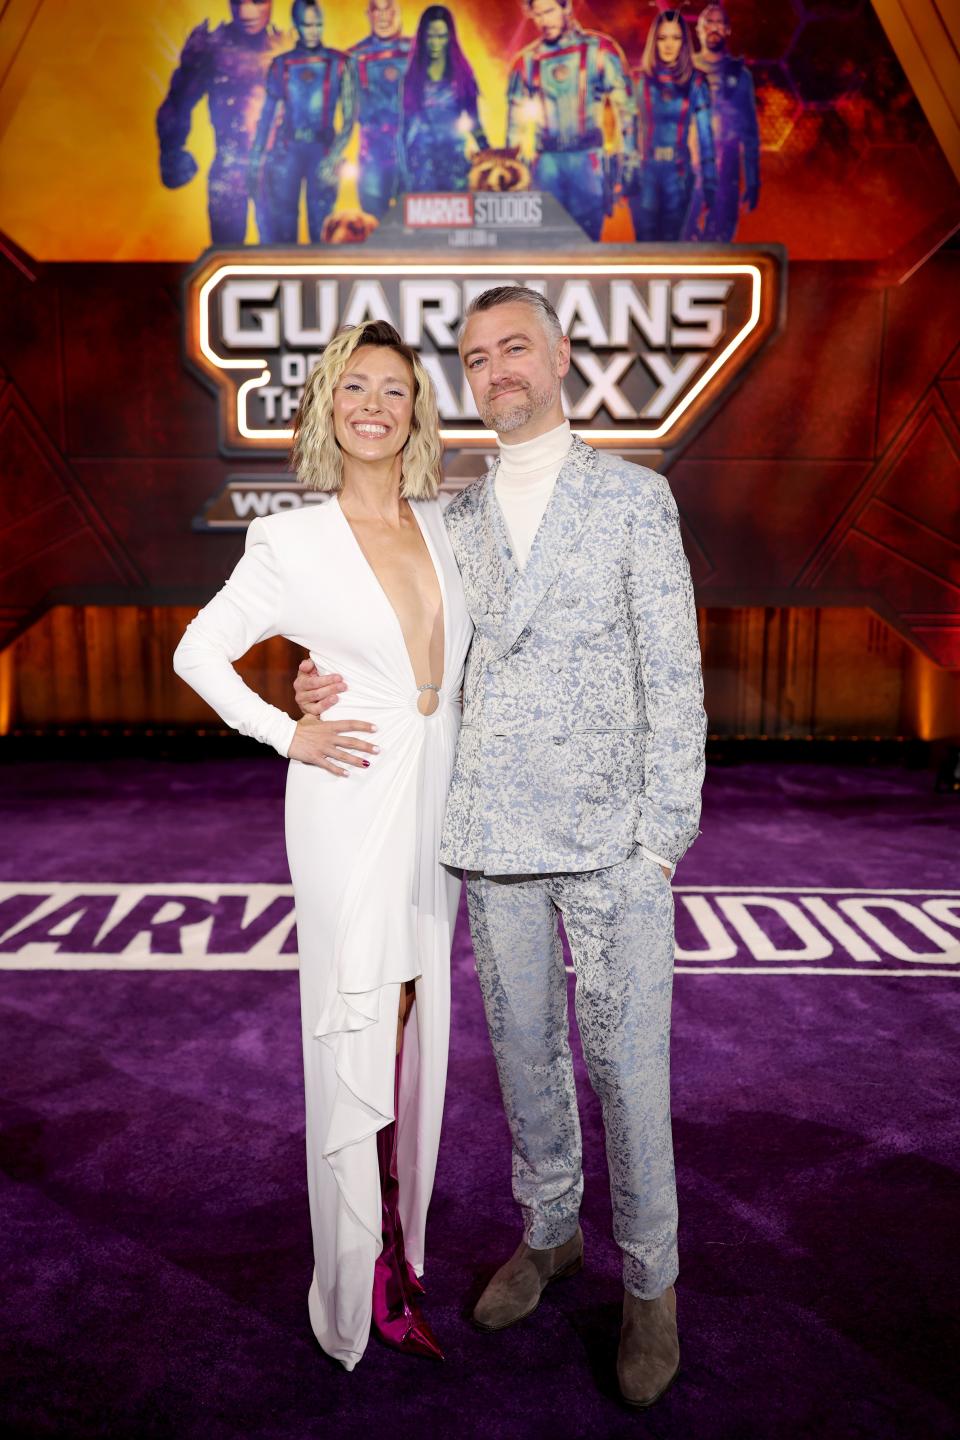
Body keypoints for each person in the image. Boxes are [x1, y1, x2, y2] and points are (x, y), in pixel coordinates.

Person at [296, 285, 706, 1407]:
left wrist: (661, 840)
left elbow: (674, 676)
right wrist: (311, 676)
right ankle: (551, 1231)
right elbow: (403, 645)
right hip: (491, 837)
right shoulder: (453, 519)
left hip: (615, 841)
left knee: (627, 1069)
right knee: (525, 1060)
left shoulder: (634, 502)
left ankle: (653, 1283)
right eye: (477, 358)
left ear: (562, 353)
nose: (498, 371)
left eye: (515, 347)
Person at [173, 321, 473, 1370]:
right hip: (346, 799)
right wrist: (287, 725)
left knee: (415, 1021)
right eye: (356, 387)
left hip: (438, 804)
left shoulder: (450, 526)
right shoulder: (291, 541)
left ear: (418, 410)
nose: (376, 405)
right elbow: (196, 651)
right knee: (360, 1027)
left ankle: (401, 1245)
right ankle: (363, 1284)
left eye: (396, 389)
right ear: (326, 408)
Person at [157, 0, 287, 244]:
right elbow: (177, 102)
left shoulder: (287, 49)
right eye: (238, 1)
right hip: (229, 171)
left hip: (275, 173)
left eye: (257, 1)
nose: (246, 12)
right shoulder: (211, 50)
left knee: (281, 260)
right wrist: (172, 152)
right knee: (227, 256)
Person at [505, 0, 634, 243]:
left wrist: (629, 159)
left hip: (587, 161)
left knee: (586, 245)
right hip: (547, 165)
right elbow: (514, 128)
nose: (544, 21)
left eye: (550, 11)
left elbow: (626, 108)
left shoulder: (600, 51)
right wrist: (513, 176)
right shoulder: (526, 62)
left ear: (567, 8)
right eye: (538, 14)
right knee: (546, 246)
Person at [249, 1, 357, 244]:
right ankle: (288, 278)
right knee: (284, 226)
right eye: (308, 25)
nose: (314, 31)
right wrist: (256, 160)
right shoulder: (281, 65)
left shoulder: (340, 63)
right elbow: (266, 117)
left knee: (322, 225)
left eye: (319, 25)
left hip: (323, 150)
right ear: (297, 25)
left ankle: (322, 278)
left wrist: (333, 157)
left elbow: (350, 118)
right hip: (288, 151)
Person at [628, 8, 717, 242]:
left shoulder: (696, 81)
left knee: (670, 245)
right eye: (662, 38)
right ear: (654, 41)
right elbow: (628, 127)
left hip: (678, 174)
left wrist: (710, 182)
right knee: (644, 245)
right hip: (645, 173)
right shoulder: (640, 80)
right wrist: (627, 170)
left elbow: (706, 135)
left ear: (684, 43)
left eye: (676, 38)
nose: (669, 45)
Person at [685, 3, 760, 241]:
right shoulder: (684, 70)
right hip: (689, 167)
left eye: (719, 23)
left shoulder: (740, 75)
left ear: (728, 30)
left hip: (726, 170)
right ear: (698, 29)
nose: (713, 28)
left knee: (721, 241)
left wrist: (753, 178)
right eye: (708, 22)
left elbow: (749, 132)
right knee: (681, 238)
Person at [401, 6, 488, 193]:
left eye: (441, 36)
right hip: (421, 161)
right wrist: (401, 170)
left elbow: (474, 120)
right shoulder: (411, 77)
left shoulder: (462, 75)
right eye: (430, 36)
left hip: (454, 159)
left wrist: (487, 152)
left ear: (450, 37)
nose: (435, 43)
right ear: (422, 36)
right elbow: (404, 126)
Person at [349, 0, 412, 218]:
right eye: (378, 10)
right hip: (374, 157)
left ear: (400, 11)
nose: (383, 17)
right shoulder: (354, 57)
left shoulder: (419, 51)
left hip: (414, 153)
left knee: (415, 226)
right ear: (368, 14)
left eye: (389, 10)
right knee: (374, 223)